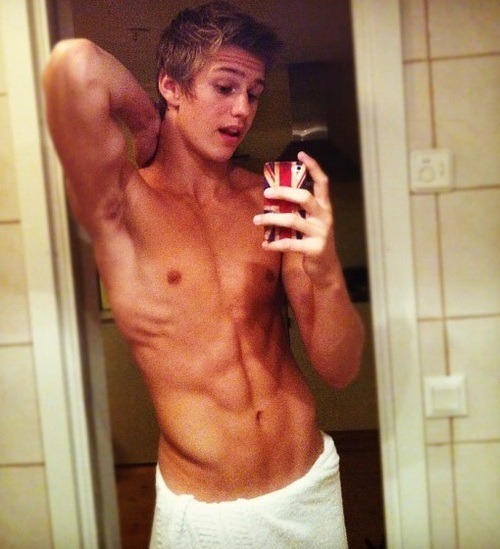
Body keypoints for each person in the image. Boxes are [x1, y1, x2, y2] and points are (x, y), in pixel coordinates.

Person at [43, 2, 364, 547]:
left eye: (254, 93)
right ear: (171, 86)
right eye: (224, 86)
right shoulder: (126, 200)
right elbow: (75, 64)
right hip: (207, 514)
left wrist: (328, 270)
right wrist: (146, 124)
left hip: (308, 487)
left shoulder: (271, 199)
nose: (243, 110)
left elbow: (339, 369)